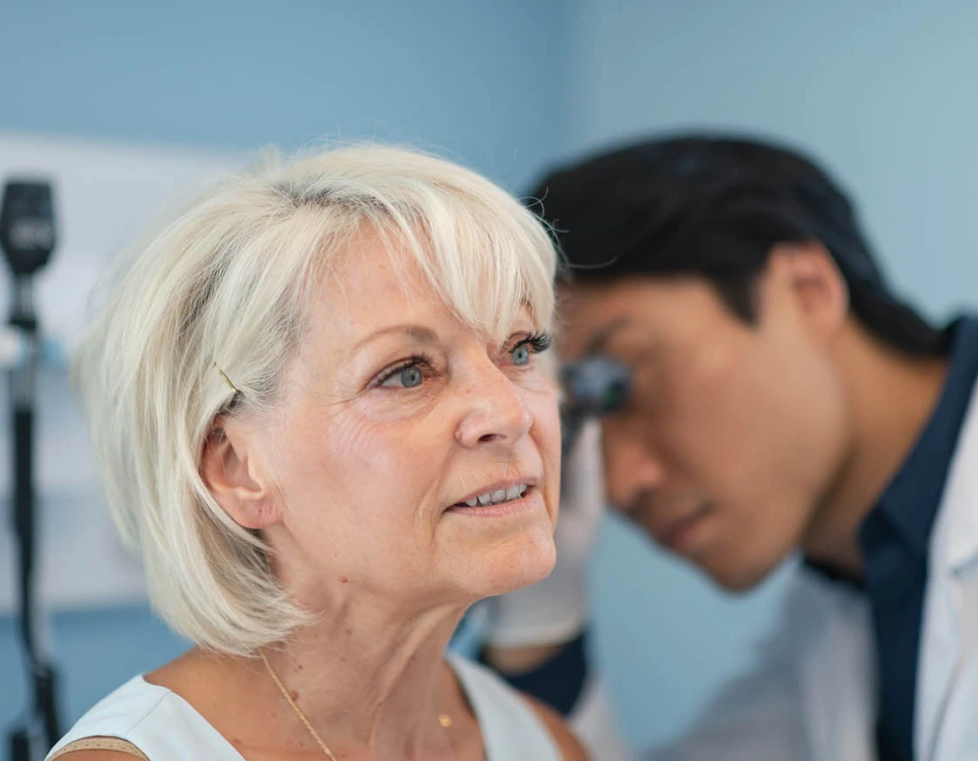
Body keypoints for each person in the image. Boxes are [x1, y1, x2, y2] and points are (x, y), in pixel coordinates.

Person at [481, 134, 978, 761]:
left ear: (806, 292)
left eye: (620, 385)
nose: (621, 484)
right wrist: (538, 617)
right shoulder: (842, 616)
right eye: (581, 423)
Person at [47, 144, 589, 761]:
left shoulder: (546, 744)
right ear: (237, 469)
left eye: (519, 350)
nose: (511, 413)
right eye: (408, 373)